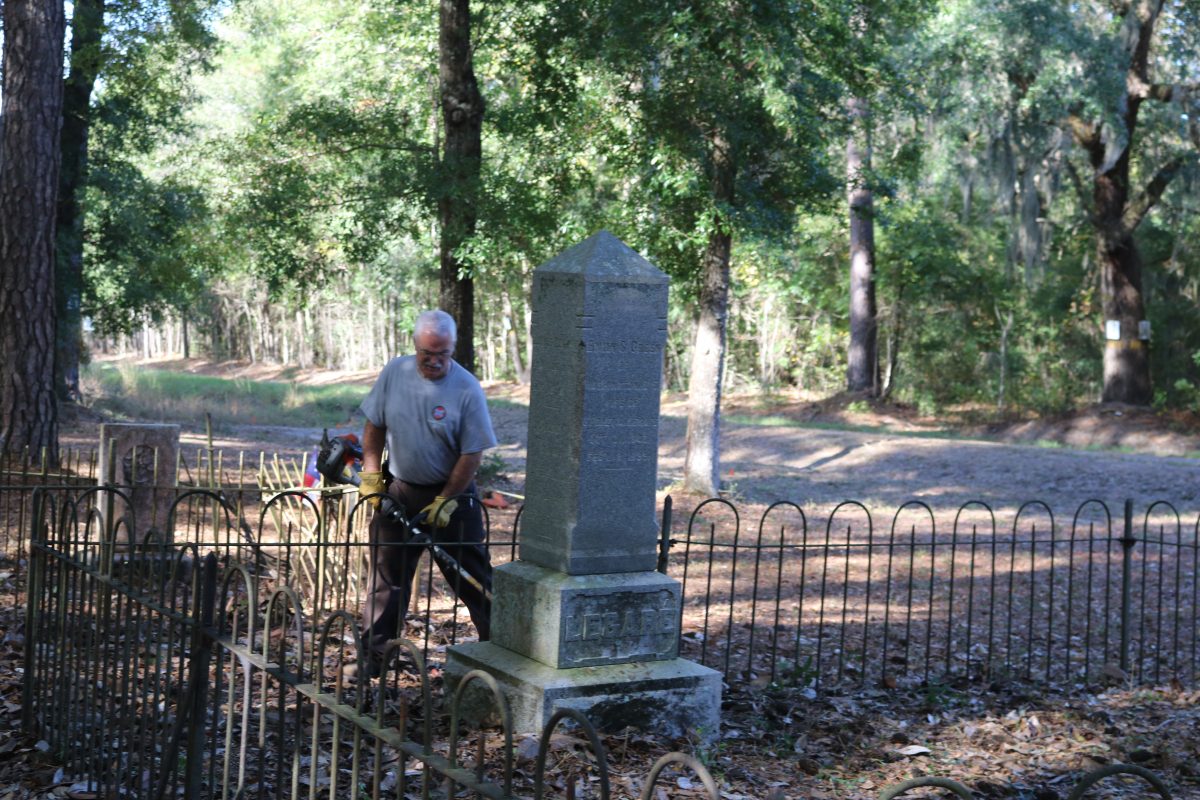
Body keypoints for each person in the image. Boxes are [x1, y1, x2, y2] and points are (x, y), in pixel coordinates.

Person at [356, 309, 497, 672]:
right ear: (415, 346)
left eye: (443, 355)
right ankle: (375, 658)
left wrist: (447, 499)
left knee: (472, 579)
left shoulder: (466, 388)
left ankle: (500, 653)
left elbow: (472, 452)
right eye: (427, 354)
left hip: (454, 494)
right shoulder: (395, 373)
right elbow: (374, 424)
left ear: (453, 349)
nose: (434, 362)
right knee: (386, 579)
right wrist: (372, 476)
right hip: (401, 488)